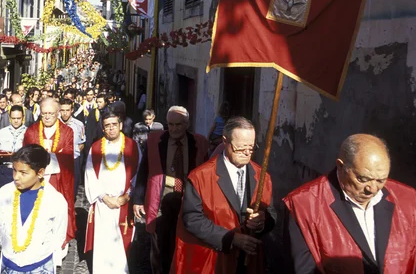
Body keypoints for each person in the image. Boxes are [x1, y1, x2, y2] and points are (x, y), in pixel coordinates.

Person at [284, 134, 416, 274]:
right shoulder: (304, 205)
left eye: (380, 180)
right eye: (363, 179)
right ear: (341, 166)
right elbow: (304, 269)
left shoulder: (408, 200)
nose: (372, 189)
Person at [172, 116, 276, 274]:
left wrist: (262, 221)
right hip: (214, 260)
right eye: (240, 148)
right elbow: (191, 219)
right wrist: (231, 238)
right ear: (225, 141)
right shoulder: (201, 176)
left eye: (251, 147)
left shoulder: (262, 177)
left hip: (249, 262)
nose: (247, 153)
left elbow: (271, 214)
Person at [132, 106, 209, 274]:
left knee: (184, 240)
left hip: (188, 199)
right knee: (159, 242)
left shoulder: (199, 142)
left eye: (178, 125)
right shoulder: (154, 141)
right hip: (161, 196)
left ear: (187, 124)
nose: (174, 129)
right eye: (170, 124)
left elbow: (206, 172)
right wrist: (138, 199)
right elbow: (144, 169)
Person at [0, 144, 68, 274]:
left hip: (40, 265)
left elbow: (58, 236)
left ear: (40, 172)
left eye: (23, 173)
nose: (16, 177)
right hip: (9, 263)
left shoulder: (55, 199)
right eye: (14, 170)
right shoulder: (5, 193)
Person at [84, 112, 141, 274]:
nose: (111, 128)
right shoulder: (96, 148)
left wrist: (127, 196)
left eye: (114, 124)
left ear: (121, 125)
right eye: (107, 125)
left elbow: (139, 172)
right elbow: (89, 174)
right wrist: (104, 197)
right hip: (103, 202)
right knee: (103, 240)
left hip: (124, 201)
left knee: (121, 241)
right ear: (103, 128)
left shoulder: (132, 146)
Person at [22, 98, 76, 247]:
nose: (47, 117)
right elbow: (25, 156)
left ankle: (58, 246)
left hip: (57, 179)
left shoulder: (67, 132)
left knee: (56, 212)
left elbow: (68, 156)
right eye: (44, 113)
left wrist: (48, 155)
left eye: (51, 113)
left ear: (58, 113)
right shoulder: (31, 131)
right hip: (35, 181)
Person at [0, 105, 27, 196]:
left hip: (21, 171)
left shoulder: (28, 132)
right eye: (13, 118)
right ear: (9, 118)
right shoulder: (2, 132)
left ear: (23, 118)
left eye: (18, 118)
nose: (16, 121)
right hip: (4, 170)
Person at [58, 98, 85, 197]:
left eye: (67, 110)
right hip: (59, 161)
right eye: (63, 110)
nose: (65, 113)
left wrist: (76, 151)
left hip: (73, 160)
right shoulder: (55, 124)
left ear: (72, 110)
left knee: (73, 189)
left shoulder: (79, 125)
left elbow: (82, 143)